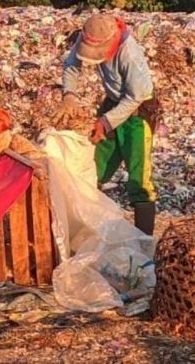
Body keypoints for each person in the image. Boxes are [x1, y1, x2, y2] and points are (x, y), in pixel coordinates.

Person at [53, 13, 160, 235]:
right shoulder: (88, 38)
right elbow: (72, 65)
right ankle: (86, 229)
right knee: (95, 168)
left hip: (138, 113)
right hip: (112, 102)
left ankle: (144, 240)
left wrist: (105, 122)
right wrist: (69, 95)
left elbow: (135, 97)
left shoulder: (129, 54)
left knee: (139, 178)